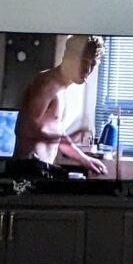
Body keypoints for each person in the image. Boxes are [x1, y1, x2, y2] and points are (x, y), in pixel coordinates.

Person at [13, 34, 108, 175]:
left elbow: (54, 132)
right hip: (26, 171)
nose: (88, 69)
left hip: (41, 171)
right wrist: (74, 134)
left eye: (92, 64)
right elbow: (24, 129)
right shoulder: (46, 83)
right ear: (68, 56)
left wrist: (85, 160)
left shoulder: (61, 89)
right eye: (83, 61)